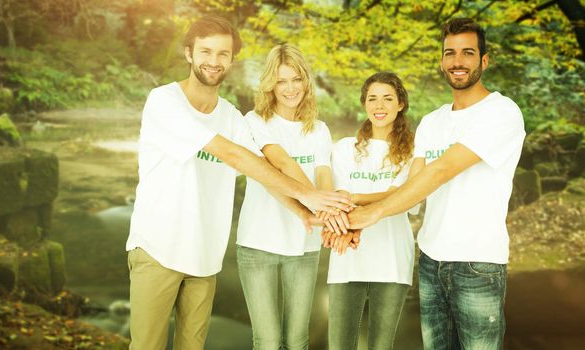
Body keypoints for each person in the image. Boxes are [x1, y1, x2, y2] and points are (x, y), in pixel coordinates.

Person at [125, 16, 351, 350]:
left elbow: (263, 169)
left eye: (222, 54)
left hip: (205, 258)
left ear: (231, 60)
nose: (213, 61)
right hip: (158, 249)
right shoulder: (164, 101)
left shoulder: (229, 114)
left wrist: (302, 211)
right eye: (205, 51)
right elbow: (233, 155)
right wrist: (310, 196)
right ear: (189, 53)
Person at [348, 18, 526, 349]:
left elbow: (441, 171)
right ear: (442, 61)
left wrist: (368, 215)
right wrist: (354, 205)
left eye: (468, 53)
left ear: (483, 61)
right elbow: (412, 191)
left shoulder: (502, 113)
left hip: (478, 264)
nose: (458, 61)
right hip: (431, 262)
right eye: (450, 53)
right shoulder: (432, 122)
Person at [235, 43, 343, 350]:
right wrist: (315, 203)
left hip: (305, 245)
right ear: (270, 84)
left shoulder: (319, 129)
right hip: (258, 243)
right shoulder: (255, 121)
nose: (290, 88)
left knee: (297, 341)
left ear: (306, 81)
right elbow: (280, 163)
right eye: (282, 81)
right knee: (267, 341)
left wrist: (329, 209)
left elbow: (324, 173)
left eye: (296, 79)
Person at [322, 72, 416, 350]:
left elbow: (401, 196)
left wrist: (354, 196)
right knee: (339, 345)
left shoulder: (414, 152)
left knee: (381, 346)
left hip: (392, 260)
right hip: (346, 257)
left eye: (388, 98)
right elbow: (337, 200)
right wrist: (346, 209)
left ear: (400, 104)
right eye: (373, 98)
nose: (379, 105)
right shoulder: (343, 150)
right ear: (364, 103)